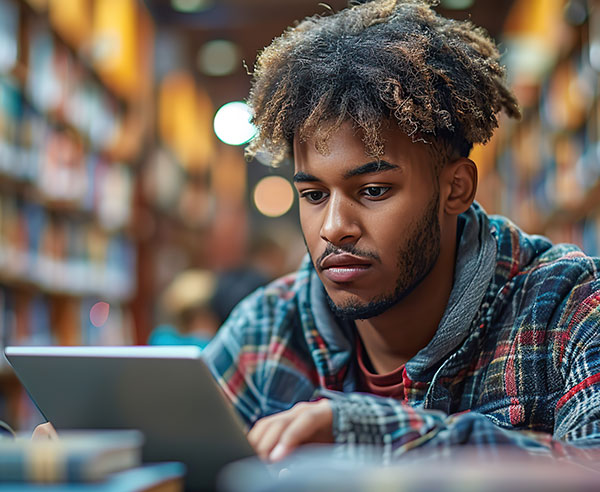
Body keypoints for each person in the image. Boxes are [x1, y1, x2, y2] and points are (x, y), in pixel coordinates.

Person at [200, 0, 600, 466]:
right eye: (313, 195)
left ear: (456, 188)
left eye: (372, 190)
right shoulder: (267, 328)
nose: (334, 228)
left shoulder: (569, 307)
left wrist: (369, 432)